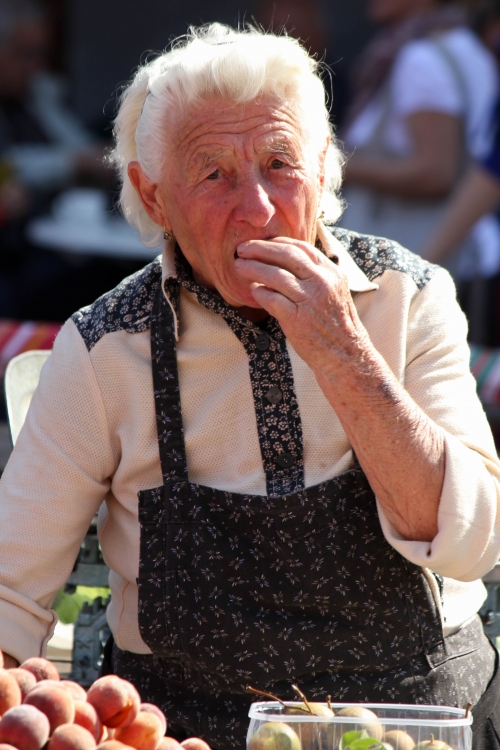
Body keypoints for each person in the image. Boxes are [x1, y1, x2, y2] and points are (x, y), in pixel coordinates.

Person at [0, 23, 500, 750]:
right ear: (154, 194)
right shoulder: (106, 347)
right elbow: (10, 593)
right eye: (215, 174)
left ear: (325, 168)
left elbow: (475, 541)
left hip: (414, 727)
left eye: (280, 162)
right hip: (186, 735)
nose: (259, 208)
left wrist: (344, 353)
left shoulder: (407, 298)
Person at [340, 0, 500, 274]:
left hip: (433, 256)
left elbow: (437, 172)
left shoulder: (421, 57)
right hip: (473, 254)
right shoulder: (469, 45)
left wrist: (338, 165)